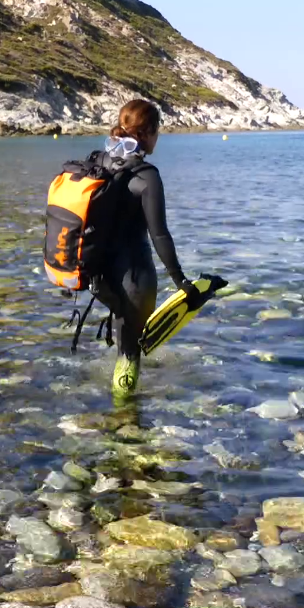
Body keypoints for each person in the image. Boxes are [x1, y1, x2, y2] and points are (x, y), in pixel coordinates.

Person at [92, 99, 200, 400]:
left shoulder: (101, 160)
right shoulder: (146, 175)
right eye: (157, 131)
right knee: (130, 357)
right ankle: (126, 427)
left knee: (124, 344)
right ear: (148, 132)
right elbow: (160, 235)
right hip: (135, 277)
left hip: (101, 278)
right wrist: (181, 282)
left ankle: (115, 423)